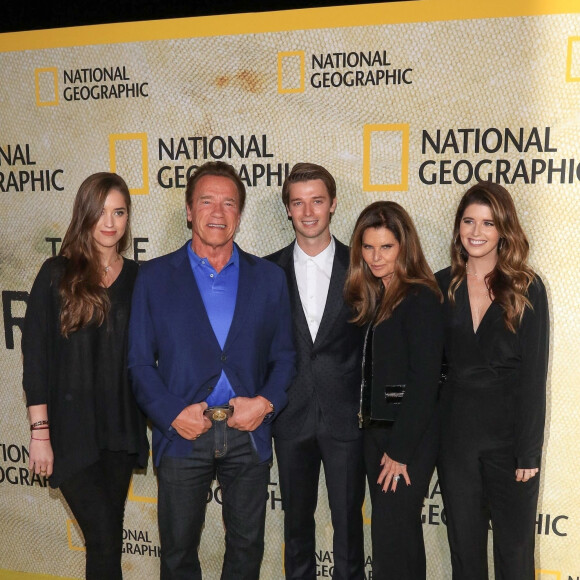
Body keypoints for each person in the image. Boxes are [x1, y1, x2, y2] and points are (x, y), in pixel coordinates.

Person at [128, 160, 296, 580]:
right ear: (188, 210)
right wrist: (170, 413)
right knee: (178, 552)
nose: (217, 213)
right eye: (206, 201)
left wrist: (266, 403)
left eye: (229, 203)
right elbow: (138, 363)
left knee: (246, 550)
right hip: (183, 432)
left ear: (239, 214)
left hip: (247, 433)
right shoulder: (152, 278)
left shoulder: (270, 279)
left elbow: (286, 357)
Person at [21, 172, 149, 580]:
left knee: (105, 543)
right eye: (101, 212)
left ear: (128, 218)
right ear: (84, 214)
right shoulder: (56, 273)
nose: (109, 223)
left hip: (120, 432)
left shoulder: (139, 279)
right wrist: (40, 433)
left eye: (120, 212)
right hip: (71, 434)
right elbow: (35, 357)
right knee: (104, 539)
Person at [436, 181, 549, 579]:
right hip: (456, 442)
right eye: (469, 221)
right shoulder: (439, 285)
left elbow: (534, 377)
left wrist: (528, 453)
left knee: (515, 554)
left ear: (504, 229)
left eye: (488, 222)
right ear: (458, 227)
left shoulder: (526, 287)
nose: (476, 231)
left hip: (509, 445)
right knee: (465, 554)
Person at [265, 163, 366, 579]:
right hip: (290, 417)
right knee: (296, 530)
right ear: (287, 209)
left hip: (346, 419)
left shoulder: (363, 265)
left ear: (333, 205)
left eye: (317, 201)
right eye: (298, 202)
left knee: (349, 528)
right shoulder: (266, 272)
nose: (308, 212)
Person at [344, 200, 444, 580]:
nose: (375, 256)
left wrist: (400, 451)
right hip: (377, 431)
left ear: (404, 246)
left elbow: (424, 380)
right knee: (393, 536)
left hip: (405, 439)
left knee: (393, 538)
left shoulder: (419, 296)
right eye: (368, 247)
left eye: (386, 247)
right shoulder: (374, 294)